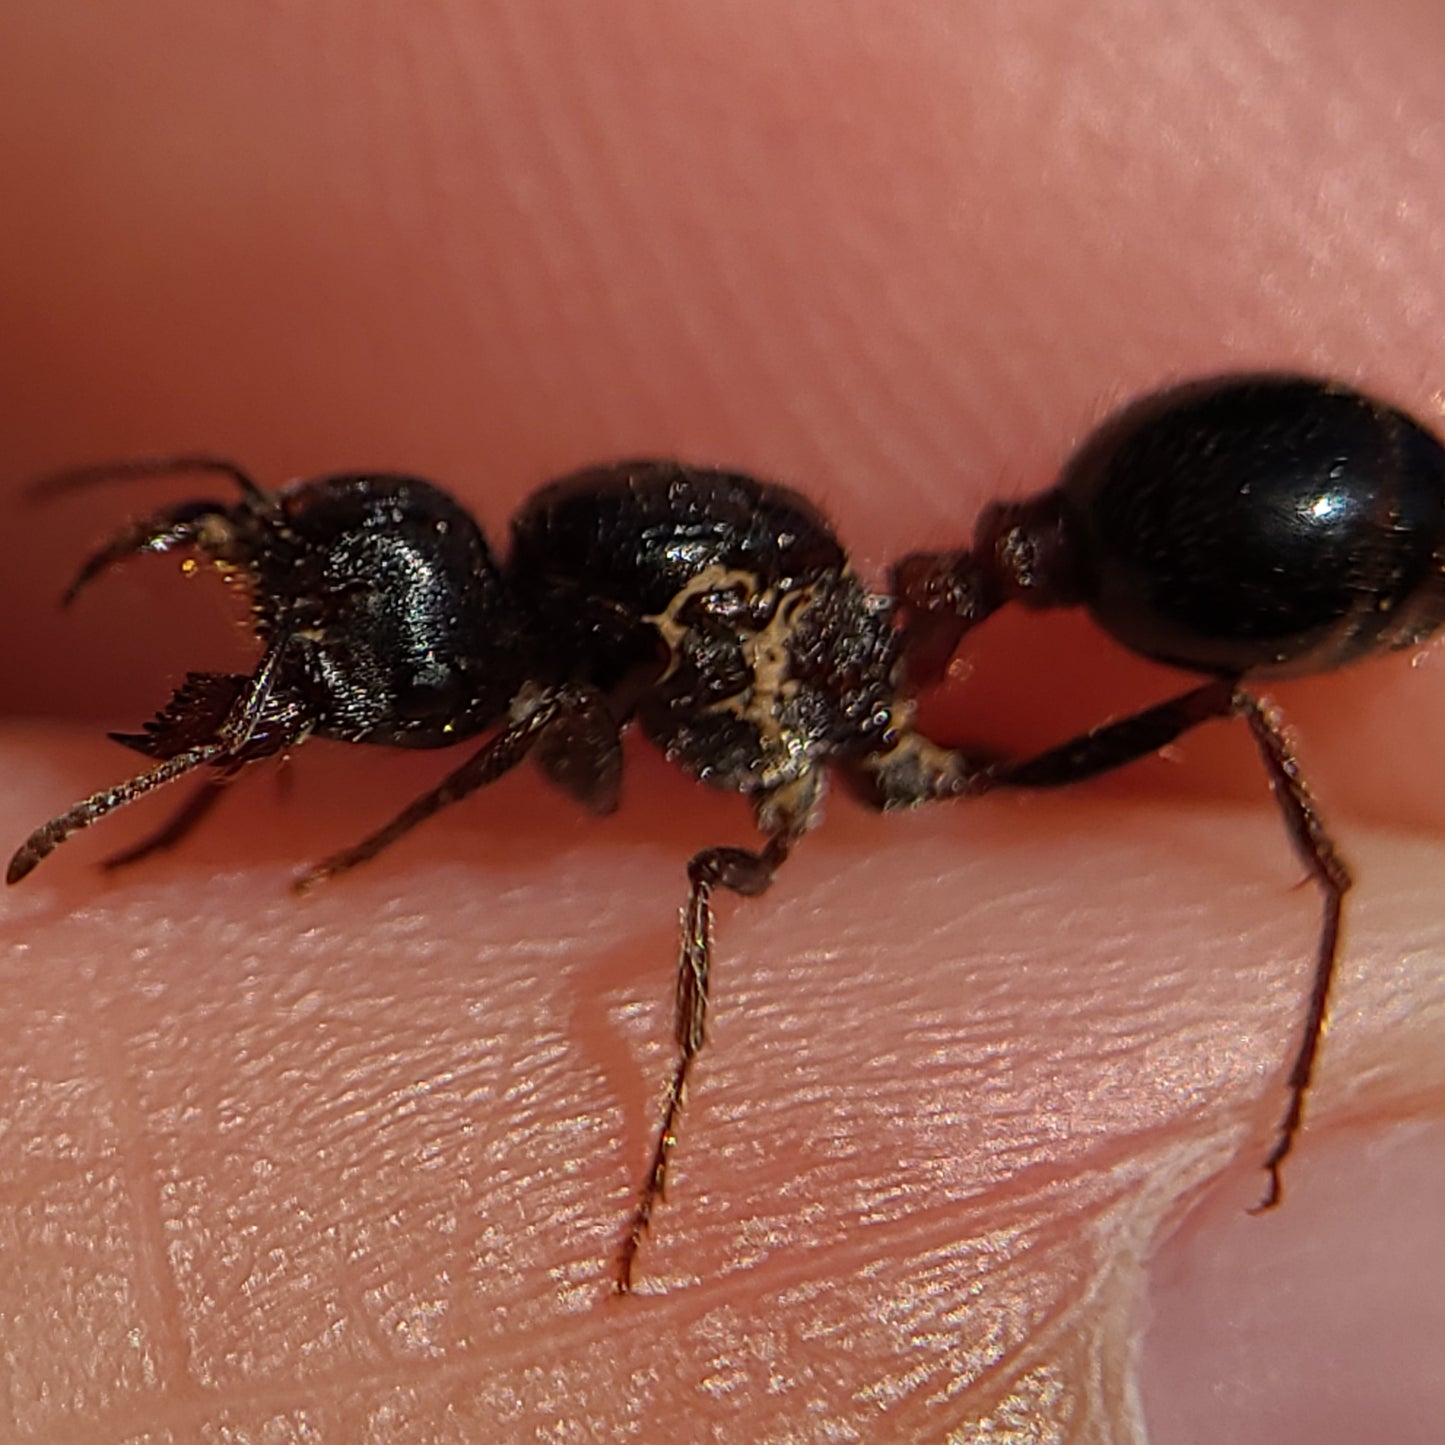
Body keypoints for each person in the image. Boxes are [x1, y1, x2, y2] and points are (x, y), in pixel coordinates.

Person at [0, 4, 1441, 1440]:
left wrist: (401, 866)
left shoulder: (672, 634)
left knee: (1170, 725)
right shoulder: (586, 613)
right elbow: (527, 712)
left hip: (1283, 530)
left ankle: (1313, 988)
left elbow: (528, 731)